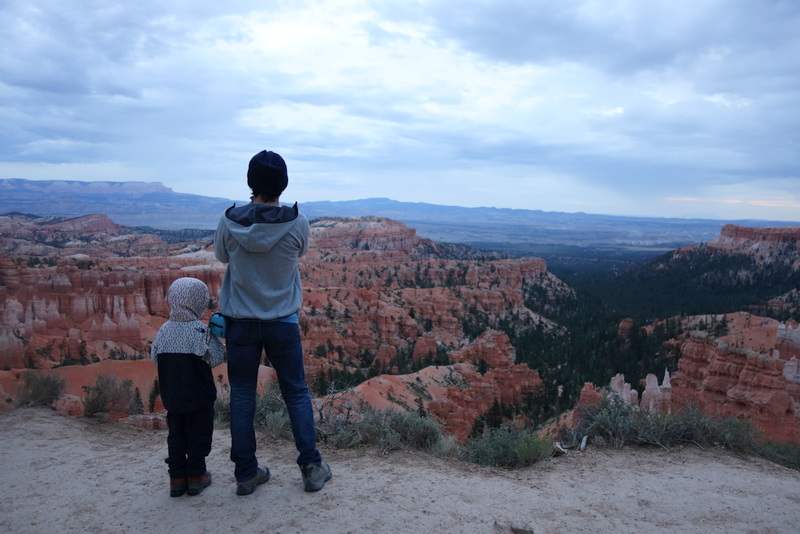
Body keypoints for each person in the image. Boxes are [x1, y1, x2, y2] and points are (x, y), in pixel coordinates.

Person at [214, 150, 332, 496]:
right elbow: (299, 253)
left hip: (240, 322)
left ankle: (246, 474)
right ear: (283, 184)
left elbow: (222, 256)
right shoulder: (298, 223)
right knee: (296, 392)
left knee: (242, 397)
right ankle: (311, 468)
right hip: (283, 320)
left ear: (251, 183)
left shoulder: (228, 221)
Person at [150, 277, 225, 497]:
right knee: (199, 434)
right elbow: (216, 359)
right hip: (199, 397)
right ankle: (195, 475)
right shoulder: (200, 331)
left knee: (176, 435)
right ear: (198, 302)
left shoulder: (163, 330)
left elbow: (155, 357)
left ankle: (176, 478)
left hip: (172, 396)